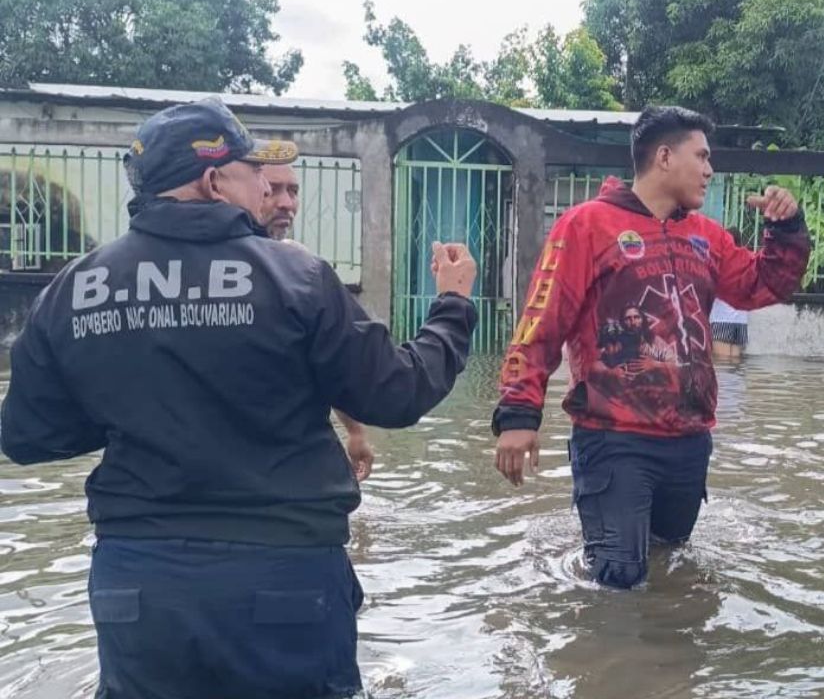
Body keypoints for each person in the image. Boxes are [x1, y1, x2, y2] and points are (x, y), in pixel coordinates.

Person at [0, 97, 479, 698]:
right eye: (254, 172)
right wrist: (454, 306)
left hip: (139, 587)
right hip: (283, 580)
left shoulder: (74, 288)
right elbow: (398, 393)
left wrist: (132, 406)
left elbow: (27, 436)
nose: (265, 188)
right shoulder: (295, 277)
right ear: (212, 180)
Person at [492, 106, 812, 590]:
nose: (709, 170)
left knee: (671, 572)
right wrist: (518, 414)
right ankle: (610, 664)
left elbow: (761, 286)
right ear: (664, 156)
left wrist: (786, 229)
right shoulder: (586, 226)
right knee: (618, 581)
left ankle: (665, 666)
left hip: (688, 441)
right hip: (614, 439)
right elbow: (542, 320)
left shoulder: (708, 237)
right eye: (701, 156)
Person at [259, 160, 374, 481]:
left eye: (293, 191)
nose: (287, 203)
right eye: (271, 190)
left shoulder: (302, 269)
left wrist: (355, 431)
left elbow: (331, 361)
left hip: (291, 463)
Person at [709, 227, 751, 360]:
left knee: (722, 366)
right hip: (740, 322)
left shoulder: (719, 263)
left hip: (721, 320)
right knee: (734, 365)